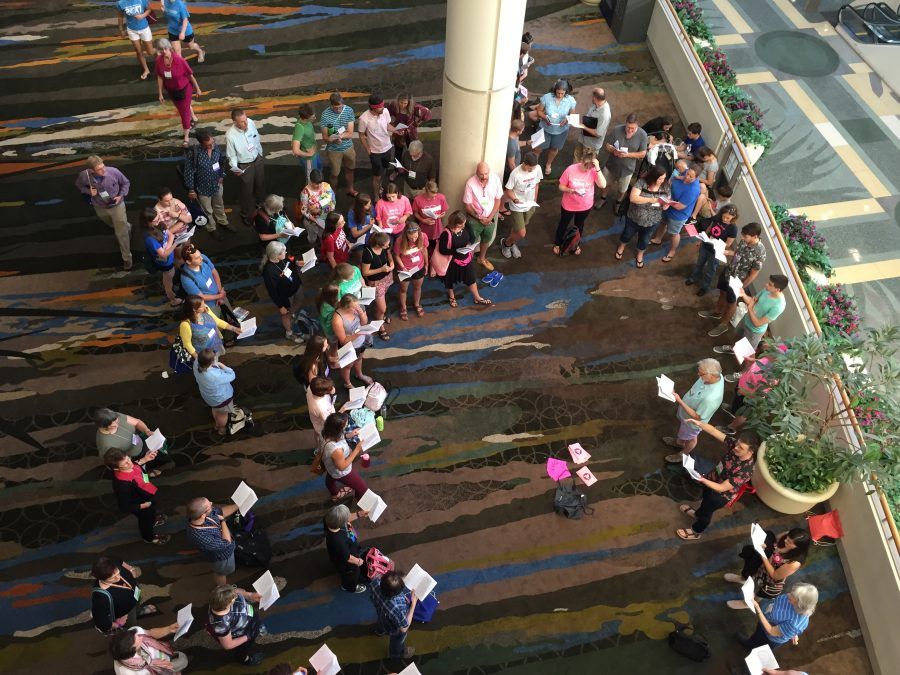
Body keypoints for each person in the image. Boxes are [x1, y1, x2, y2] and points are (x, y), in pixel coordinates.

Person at [674, 419, 758, 541]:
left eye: (741, 447)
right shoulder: (736, 447)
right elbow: (714, 431)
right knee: (704, 502)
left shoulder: (745, 471)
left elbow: (722, 488)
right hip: (712, 479)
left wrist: (701, 479)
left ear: (751, 451)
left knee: (707, 512)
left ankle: (696, 531)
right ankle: (697, 514)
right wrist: (699, 423)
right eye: (737, 443)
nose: (736, 447)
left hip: (720, 495)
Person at [701, 222, 767, 337]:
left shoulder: (760, 253)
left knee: (731, 303)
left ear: (755, 236)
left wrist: (742, 287)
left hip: (738, 281)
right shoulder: (744, 241)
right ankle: (717, 312)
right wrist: (726, 252)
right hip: (728, 272)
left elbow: (753, 274)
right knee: (722, 292)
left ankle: (724, 324)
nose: (743, 238)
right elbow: (737, 253)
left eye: (746, 236)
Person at [725, 527, 811, 609]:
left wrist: (762, 554)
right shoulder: (788, 538)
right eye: (787, 538)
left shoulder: (795, 563)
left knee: (758, 592)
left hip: (770, 581)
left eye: (789, 542)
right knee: (753, 577)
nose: (785, 540)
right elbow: (776, 540)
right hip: (764, 569)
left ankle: (748, 603)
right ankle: (743, 579)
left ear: (798, 547)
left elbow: (775, 575)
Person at [75, 155, 133, 271]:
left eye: (103, 166)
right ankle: (128, 226)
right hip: (100, 207)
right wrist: (87, 191)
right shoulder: (84, 176)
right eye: (99, 169)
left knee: (120, 234)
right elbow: (78, 185)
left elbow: (126, 183)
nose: (103, 170)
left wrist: (120, 195)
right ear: (91, 170)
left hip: (117, 206)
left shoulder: (113, 172)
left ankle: (127, 258)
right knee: (112, 224)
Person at [103, 449, 169, 545]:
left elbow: (135, 464)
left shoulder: (128, 464)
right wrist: (144, 505)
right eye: (125, 464)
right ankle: (149, 537)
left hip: (147, 494)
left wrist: (145, 459)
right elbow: (125, 507)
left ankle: (153, 520)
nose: (130, 464)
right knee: (145, 521)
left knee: (151, 515)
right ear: (116, 469)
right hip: (141, 504)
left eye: (128, 459)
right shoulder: (122, 485)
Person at [663, 358, 724, 461]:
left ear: (711, 375)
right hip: (686, 413)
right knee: (685, 433)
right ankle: (679, 442)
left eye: (701, 374)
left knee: (692, 438)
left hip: (692, 422)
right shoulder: (714, 376)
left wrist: (679, 401)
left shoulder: (711, 399)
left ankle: (682, 454)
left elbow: (697, 417)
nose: (698, 375)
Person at [714, 275, 788, 351]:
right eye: (768, 282)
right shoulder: (767, 290)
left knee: (746, 351)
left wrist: (750, 308)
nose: (766, 285)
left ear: (777, 289)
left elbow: (758, 323)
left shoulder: (779, 306)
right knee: (735, 337)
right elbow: (752, 301)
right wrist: (743, 295)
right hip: (746, 320)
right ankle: (732, 349)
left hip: (754, 332)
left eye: (770, 285)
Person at [614, 166, 669, 269]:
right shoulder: (642, 182)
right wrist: (651, 200)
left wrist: (666, 205)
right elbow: (633, 198)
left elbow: (667, 199)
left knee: (644, 239)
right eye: (660, 178)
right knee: (627, 234)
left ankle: (640, 254)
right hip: (634, 217)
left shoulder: (665, 186)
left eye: (664, 178)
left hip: (653, 220)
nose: (662, 181)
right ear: (653, 177)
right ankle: (621, 247)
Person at [553, 149, 605, 256]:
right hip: (569, 205)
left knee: (579, 225)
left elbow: (603, 185)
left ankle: (575, 244)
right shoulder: (570, 169)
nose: (588, 169)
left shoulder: (594, 170)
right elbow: (561, 186)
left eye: (591, 166)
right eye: (586, 166)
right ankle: (557, 243)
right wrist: (569, 190)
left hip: (585, 206)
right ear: (581, 160)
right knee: (563, 223)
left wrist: (598, 168)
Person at [436, 210, 492, 307]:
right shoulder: (446, 234)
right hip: (452, 261)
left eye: (464, 223)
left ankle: (477, 297)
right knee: (450, 280)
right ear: (455, 223)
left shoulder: (465, 227)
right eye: (461, 224)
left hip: (466, 257)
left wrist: (469, 245)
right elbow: (442, 250)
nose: (463, 225)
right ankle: (451, 296)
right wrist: (456, 251)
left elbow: (472, 237)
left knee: (471, 277)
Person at [739, 583, 819, 651]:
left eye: (793, 595)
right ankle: (749, 644)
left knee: (758, 647)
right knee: (755, 637)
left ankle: (748, 650)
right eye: (792, 592)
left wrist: (758, 609)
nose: (788, 594)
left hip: (769, 637)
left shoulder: (795, 624)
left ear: (800, 603)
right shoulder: (790, 598)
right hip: (766, 620)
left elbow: (772, 631)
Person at [185, 129, 233, 238]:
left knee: (219, 204)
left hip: (216, 183)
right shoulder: (194, 153)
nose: (211, 146)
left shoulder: (216, 147)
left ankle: (223, 222)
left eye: (212, 142)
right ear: (201, 143)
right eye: (208, 145)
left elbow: (222, 161)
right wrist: (191, 189)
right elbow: (188, 172)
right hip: (202, 186)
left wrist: (221, 175)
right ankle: (211, 227)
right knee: (207, 209)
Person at [91, 557, 157, 634]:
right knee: (132, 628)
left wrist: (131, 568)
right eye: (113, 578)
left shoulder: (111, 564)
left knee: (136, 604)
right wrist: (118, 625)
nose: (118, 577)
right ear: (102, 578)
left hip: (134, 594)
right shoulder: (100, 597)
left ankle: (138, 611)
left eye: (118, 572)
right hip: (125, 614)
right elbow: (100, 620)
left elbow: (118, 560)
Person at [154, 38, 200, 147]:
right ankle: (194, 118)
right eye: (161, 50)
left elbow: (190, 75)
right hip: (171, 91)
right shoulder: (159, 61)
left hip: (184, 89)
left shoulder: (180, 60)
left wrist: (197, 88)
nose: (164, 51)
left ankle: (186, 138)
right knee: (182, 108)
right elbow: (160, 77)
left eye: (165, 49)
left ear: (169, 47)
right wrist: (160, 93)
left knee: (184, 113)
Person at [650, 164, 700, 263]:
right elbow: (679, 174)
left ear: (696, 178)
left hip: (679, 214)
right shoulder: (684, 173)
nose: (687, 177)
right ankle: (658, 238)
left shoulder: (693, 190)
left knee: (673, 233)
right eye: (687, 173)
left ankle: (672, 251)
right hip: (669, 203)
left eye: (690, 176)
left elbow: (680, 206)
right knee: (663, 222)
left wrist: (666, 202)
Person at [685, 204, 738, 296]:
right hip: (705, 245)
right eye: (724, 216)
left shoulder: (733, 228)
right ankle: (693, 278)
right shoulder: (717, 218)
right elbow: (709, 229)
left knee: (710, 270)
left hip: (716, 251)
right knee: (699, 263)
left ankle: (705, 287)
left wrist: (715, 242)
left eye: (728, 218)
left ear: (733, 217)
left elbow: (728, 244)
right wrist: (702, 239)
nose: (725, 219)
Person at [598, 113, 648, 211]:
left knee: (622, 189)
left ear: (637, 125)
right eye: (628, 127)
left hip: (627, 169)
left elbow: (642, 154)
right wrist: (613, 151)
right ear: (625, 123)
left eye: (632, 128)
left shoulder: (643, 135)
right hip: (611, 165)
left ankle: (618, 202)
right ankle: (603, 198)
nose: (629, 130)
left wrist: (627, 155)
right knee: (605, 184)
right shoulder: (617, 130)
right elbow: (607, 145)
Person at [92, 407, 166, 473]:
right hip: (132, 458)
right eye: (113, 425)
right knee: (140, 471)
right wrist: (144, 459)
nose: (118, 423)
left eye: (117, 420)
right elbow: (121, 466)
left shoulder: (113, 417)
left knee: (155, 457)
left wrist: (147, 431)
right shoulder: (106, 445)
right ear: (103, 426)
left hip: (140, 443)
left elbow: (137, 422)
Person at [207, 584, 266, 666]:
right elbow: (228, 645)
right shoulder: (221, 624)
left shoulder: (220, 596)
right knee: (243, 649)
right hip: (243, 634)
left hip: (249, 619)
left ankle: (258, 627)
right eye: (234, 597)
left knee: (256, 624)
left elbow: (235, 591)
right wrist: (248, 636)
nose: (236, 595)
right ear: (227, 604)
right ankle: (244, 660)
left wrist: (249, 595)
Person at [225, 108, 265, 226]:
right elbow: (231, 156)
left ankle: (261, 206)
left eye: (246, 119)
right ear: (234, 122)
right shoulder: (230, 136)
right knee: (246, 192)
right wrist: (235, 168)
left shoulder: (251, 122)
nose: (246, 123)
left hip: (257, 160)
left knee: (260, 184)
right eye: (242, 122)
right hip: (245, 165)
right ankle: (246, 215)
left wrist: (260, 154)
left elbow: (256, 139)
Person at [186, 496, 238, 586]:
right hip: (222, 557)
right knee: (221, 573)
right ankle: (222, 589)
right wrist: (223, 521)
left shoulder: (197, 515)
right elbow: (226, 542)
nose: (211, 503)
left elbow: (219, 512)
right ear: (203, 515)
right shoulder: (200, 536)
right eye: (209, 505)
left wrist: (238, 505)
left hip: (223, 548)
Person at [260, 240, 305, 344]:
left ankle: (292, 313)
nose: (286, 253)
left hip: (296, 287)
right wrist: (281, 306)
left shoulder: (284, 258)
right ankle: (289, 333)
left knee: (298, 303)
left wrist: (297, 263)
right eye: (283, 252)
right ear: (276, 256)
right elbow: (273, 292)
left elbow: (290, 264)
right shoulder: (269, 272)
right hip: (286, 296)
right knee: (286, 314)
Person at [501, 151, 542, 260]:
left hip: (530, 205)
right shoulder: (515, 173)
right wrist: (514, 199)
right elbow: (508, 190)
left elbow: (537, 184)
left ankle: (512, 242)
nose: (532, 170)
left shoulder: (537, 168)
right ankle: (506, 244)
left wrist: (535, 199)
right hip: (517, 206)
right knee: (521, 232)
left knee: (518, 228)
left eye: (534, 168)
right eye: (530, 168)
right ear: (524, 163)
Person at [462, 162, 503, 271]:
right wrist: (478, 217)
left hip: (490, 218)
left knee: (486, 239)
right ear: (476, 173)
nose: (484, 177)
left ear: (489, 172)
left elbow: (498, 200)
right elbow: (467, 205)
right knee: (471, 240)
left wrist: (490, 217)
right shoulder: (470, 183)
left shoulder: (495, 180)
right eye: (481, 174)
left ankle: (482, 258)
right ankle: (467, 261)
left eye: (486, 174)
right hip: (475, 219)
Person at [370, 570, 418, 660]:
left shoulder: (375, 583)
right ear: (398, 592)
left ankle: (379, 632)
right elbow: (404, 628)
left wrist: (402, 597)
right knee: (398, 638)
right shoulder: (398, 608)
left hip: (381, 612)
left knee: (381, 620)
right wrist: (413, 604)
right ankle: (396, 654)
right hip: (394, 627)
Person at [533, 79, 577, 176]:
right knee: (537, 148)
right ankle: (533, 165)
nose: (560, 95)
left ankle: (548, 164)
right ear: (555, 90)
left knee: (554, 148)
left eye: (562, 93)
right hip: (544, 128)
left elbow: (573, 114)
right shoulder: (546, 97)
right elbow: (539, 111)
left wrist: (567, 119)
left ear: (566, 92)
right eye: (558, 93)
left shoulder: (570, 100)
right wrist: (545, 117)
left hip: (561, 130)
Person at [324, 504, 371, 593]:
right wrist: (358, 562)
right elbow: (348, 557)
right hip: (348, 564)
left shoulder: (330, 519)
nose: (348, 518)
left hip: (351, 550)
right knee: (352, 575)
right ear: (341, 523)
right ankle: (349, 587)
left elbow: (345, 518)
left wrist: (359, 514)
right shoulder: (338, 541)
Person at [321, 412, 368, 500]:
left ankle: (334, 495)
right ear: (338, 429)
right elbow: (342, 467)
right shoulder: (336, 450)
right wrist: (357, 450)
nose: (347, 426)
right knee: (362, 488)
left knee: (331, 477)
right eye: (345, 426)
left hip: (330, 466)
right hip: (342, 472)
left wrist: (351, 435)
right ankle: (360, 500)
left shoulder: (326, 432)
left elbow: (342, 436)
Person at [358, 94, 397, 200]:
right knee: (377, 175)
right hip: (375, 152)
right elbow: (361, 134)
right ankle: (376, 195)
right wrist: (367, 148)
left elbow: (387, 125)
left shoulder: (385, 111)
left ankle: (380, 186)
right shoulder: (364, 118)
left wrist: (396, 130)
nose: (383, 108)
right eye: (381, 107)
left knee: (384, 169)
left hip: (387, 147)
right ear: (374, 108)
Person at [110, 622, 187, 675]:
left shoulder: (135, 631)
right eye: (138, 641)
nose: (141, 637)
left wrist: (169, 629)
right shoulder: (126, 672)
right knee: (183, 661)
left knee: (181, 660)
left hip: (165, 655)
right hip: (158, 671)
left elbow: (151, 633)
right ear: (132, 653)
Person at [141, 207, 182, 307]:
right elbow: (163, 254)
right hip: (164, 262)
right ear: (148, 223)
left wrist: (168, 247)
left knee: (171, 274)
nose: (160, 220)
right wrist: (174, 244)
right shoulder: (150, 239)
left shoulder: (160, 224)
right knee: (168, 281)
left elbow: (170, 235)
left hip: (169, 257)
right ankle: (172, 299)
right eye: (156, 220)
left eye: (159, 217)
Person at [319, 92, 358, 197]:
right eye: (336, 108)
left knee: (350, 169)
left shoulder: (349, 110)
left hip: (348, 147)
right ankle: (333, 193)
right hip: (333, 150)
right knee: (334, 173)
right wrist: (332, 139)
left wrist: (339, 137)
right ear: (331, 105)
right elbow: (325, 137)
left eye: (340, 107)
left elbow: (350, 133)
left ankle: (350, 189)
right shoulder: (325, 114)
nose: (338, 110)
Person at [192, 349, 239, 435]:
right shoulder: (215, 376)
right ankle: (221, 428)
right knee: (223, 415)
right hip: (222, 399)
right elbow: (232, 375)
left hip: (209, 397)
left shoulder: (196, 363)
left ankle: (217, 424)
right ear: (212, 362)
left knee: (215, 409)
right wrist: (222, 365)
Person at [331, 293, 373, 387]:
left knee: (359, 359)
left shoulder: (357, 308)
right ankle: (347, 383)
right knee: (347, 366)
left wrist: (361, 314)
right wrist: (358, 333)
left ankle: (359, 375)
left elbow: (364, 323)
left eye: (357, 305)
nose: (357, 308)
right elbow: (343, 341)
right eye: (354, 307)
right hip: (348, 346)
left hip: (361, 341)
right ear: (346, 307)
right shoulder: (337, 319)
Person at [361, 232, 394, 340]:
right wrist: (381, 269)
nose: (388, 246)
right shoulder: (368, 253)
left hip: (386, 278)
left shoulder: (384, 248)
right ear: (378, 245)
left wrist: (392, 263)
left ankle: (380, 314)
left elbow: (388, 254)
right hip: (376, 282)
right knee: (382, 308)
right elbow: (365, 272)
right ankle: (380, 326)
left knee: (382, 302)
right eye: (386, 245)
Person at [394, 222, 429, 318]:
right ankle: (403, 307)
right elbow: (396, 255)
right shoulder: (399, 240)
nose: (413, 239)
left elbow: (424, 250)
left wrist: (426, 264)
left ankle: (417, 304)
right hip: (405, 270)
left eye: (415, 237)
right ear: (406, 234)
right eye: (411, 238)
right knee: (403, 289)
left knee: (417, 287)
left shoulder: (423, 236)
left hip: (419, 267)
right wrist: (402, 267)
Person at [179, 243, 226, 309]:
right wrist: (220, 296)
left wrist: (220, 292)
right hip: (209, 306)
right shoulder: (186, 279)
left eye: (200, 255)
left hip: (219, 292)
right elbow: (201, 297)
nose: (201, 258)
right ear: (188, 262)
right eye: (197, 258)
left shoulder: (203, 258)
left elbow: (215, 273)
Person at [116, 0, 154, 80]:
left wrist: (142, 16)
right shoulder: (121, 3)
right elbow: (120, 16)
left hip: (144, 28)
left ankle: (159, 52)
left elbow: (149, 9)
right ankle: (146, 70)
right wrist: (121, 30)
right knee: (138, 51)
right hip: (132, 30)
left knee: (150, 52)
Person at [386, 93, 431, 157]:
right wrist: (390, 123)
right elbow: (385, 114)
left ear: (409, 103)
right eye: (401, 102)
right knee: (398, 151)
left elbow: (427, 112)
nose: (403, 105)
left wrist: (418, 122)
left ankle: (411, 163)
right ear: (398, 101)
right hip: (399, 131)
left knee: (412, 149)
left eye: (405, 103)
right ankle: (397, 166)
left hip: (411, 132)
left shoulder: (414, 107)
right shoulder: (393, 105)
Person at [299, 170, 336, 245]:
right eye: (316, 183)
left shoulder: (326, 186)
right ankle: (312, 248)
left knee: (324, 236)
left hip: (326, 218)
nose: (319, 185)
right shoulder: (305, 192)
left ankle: (323, 248)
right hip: (312, 222)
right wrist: (313, 219)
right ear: (311, 181)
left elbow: (333, 199)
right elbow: (304, 210)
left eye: (320, 182)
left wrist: (332, 208)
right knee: (312, 237)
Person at [574, 88, 610, 164]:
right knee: (576, 162)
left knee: (586, 166)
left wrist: (584, 127)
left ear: (595, 97)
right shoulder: (595, 105)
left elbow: (598, 133)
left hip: (591, 147)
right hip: (583, 140)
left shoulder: (605, 114)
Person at [412, 180, 449, 252]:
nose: (434, 196)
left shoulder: (441, 197)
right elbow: (415, 213)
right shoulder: (418, 199)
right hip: (424, 228)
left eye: (436, 193)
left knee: (436, 247)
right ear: (426, 191)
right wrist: (423, 220)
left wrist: (439, 216)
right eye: (432, 194)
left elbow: (444, 212)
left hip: (437, 228)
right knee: (424, 246)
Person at [291, 103, 319, 188]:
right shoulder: (300, 128)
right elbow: (295, 150)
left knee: (317, 174)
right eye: (313, 117)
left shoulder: (306, 122)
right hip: (309, 159)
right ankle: (309, 198)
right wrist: (309, 154)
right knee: (311, 180)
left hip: (314, 154)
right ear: (306, 117)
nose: (315, 118)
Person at [307, 376, 336, 450]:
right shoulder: (322, 408)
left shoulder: (310, 389)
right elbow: (329, 421)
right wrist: (342, 410)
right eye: (330, 388)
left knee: (316, 435)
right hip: (322, 426)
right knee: (323, 440)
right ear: (323, 393)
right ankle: (320, 450)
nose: (333, 388)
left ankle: (318, 447)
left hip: (315, 420)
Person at [505, 120, 525, 184]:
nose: (522, 131)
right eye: (522, 130)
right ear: (517, 131)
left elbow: (517, 144)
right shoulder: (511, 145)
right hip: (510, 173)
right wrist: (518, 176)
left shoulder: (514, 137)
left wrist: (527, 143)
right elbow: (512, 165)